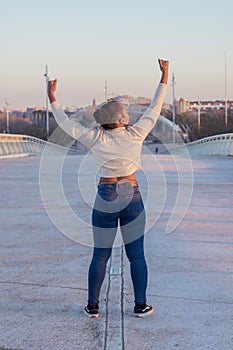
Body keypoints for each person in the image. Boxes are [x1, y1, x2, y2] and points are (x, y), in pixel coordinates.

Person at [47, 58, 169, 318]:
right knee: (136, 256)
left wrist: (52, 97)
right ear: (123, 119)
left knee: (100, 255)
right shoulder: (136, 134)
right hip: (132, 195)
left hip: (106, 195)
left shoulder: (95, 137)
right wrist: (164, 76)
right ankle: (140, 305)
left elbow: (66, 124)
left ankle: (93, 306)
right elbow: (155, 108)